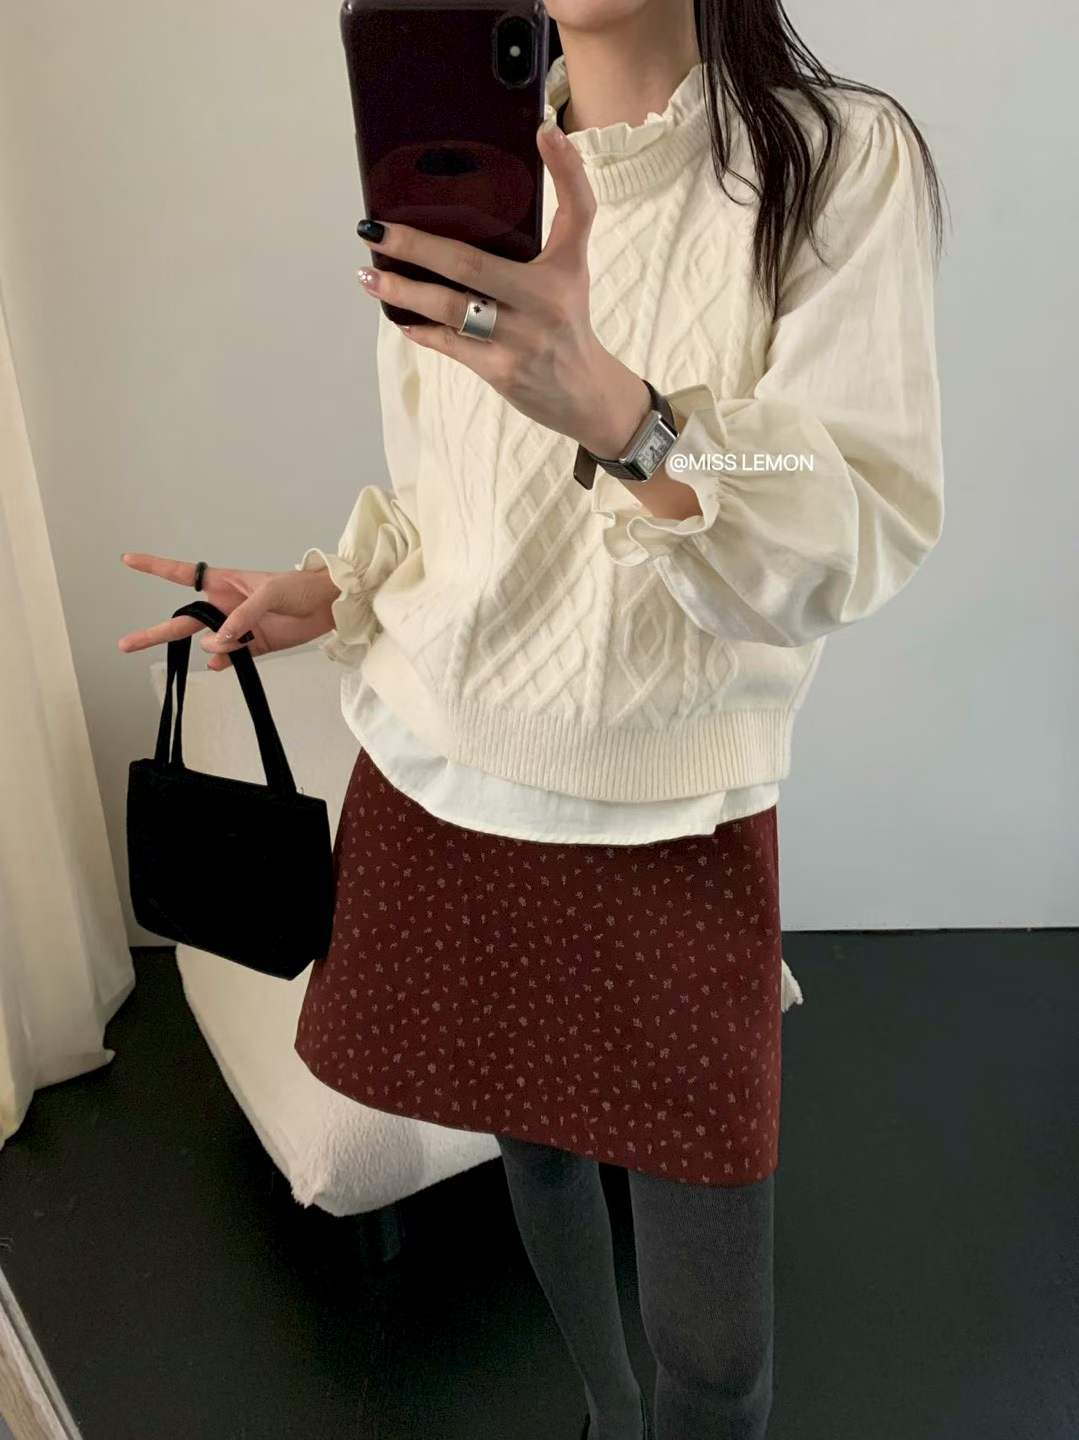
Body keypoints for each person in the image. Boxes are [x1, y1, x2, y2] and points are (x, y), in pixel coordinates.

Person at [120, 2, 945, 1435]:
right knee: (539, 1155)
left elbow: (853, 509)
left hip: (670, 820)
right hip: (442, 782)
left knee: (718, 1348)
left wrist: (628, 415)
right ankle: (604, 1417)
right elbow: (449, 495)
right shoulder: (461, 166)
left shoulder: (833, 159)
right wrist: (337, 587)